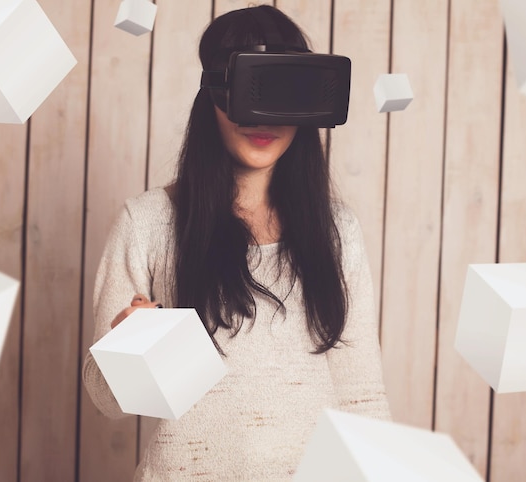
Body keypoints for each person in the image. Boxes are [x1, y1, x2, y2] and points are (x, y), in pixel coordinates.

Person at [83, 5, 390, 481]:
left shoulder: (337, 230)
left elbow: (363, 393)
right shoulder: (146, 222)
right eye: (248, 92)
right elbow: (105, 401)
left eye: (280, 93)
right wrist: (129, 347)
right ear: (211, 95)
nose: (261, 118)